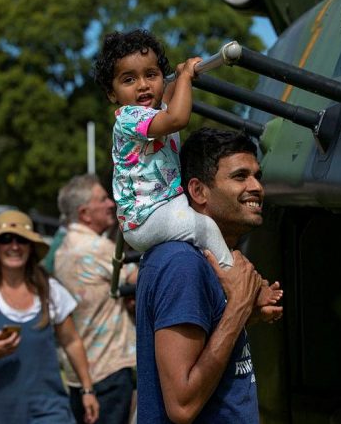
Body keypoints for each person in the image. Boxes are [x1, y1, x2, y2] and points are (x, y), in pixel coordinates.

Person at [92, 29, 281, 313]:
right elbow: (179, 117)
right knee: (204, 227)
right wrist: (184, 78)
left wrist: (178, 75)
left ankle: (245, 284)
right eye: (129, 79)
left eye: (151, 75)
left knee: (209, 225)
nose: (143, 86)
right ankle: (239, 289)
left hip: (164, 207)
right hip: (145, 217)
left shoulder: (155, 112)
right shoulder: (131, 119)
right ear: (111, 93)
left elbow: (167, 100)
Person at [135, 128, 283, 422]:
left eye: (257, 176)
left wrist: (248, 312)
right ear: (198, 191)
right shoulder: (181, 265)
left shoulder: (208, 260)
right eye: (240, 176)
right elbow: (182, 405)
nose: (256, 187)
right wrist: (239, 307)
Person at [0, 210, 99, 424]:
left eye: (22, 239)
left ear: (31, 247)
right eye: (6, 239)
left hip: (48, 409)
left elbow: (71, 341)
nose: (14, 246)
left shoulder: (50, 291)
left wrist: (87, 389)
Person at [54, 174, 137, 424]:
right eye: (103, 199)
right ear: (84, 213)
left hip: (79, 371)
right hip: (108, 369)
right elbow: (136, 279)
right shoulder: (96, 248)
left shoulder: (62, 250)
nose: (111, 203)